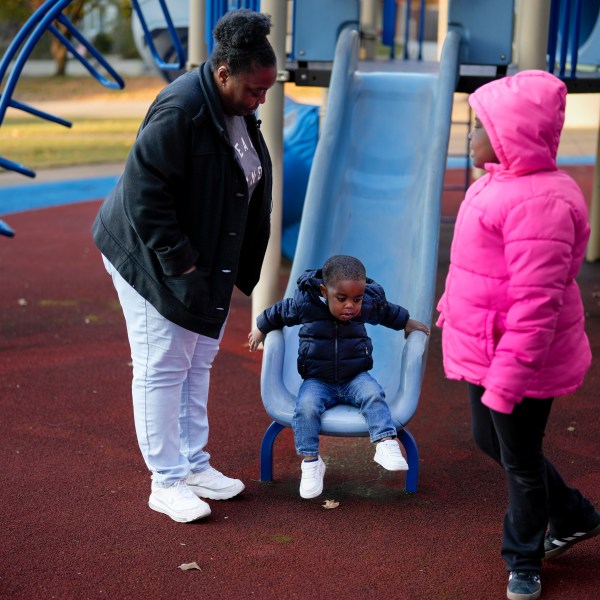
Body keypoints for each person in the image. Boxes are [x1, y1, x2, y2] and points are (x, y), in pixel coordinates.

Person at [92, 9, 278, 523]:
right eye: (254, 90)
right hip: (149, 253)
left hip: (197, 258)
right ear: (224, 74)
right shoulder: (182, 109)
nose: (260, 100)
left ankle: (193, 463)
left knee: (197, 358)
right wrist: (183, 268)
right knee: (163, 362)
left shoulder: (233, 108)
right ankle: (166, 480)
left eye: (266, 91)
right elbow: (144, 197)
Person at [436, 70, 599, 600]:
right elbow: (474, 267)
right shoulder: (495, 182)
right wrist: (449, 305)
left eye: (480, 124)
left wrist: (507, 382)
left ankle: (524, 559)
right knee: (493, 441)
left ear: (513, 133)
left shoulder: (541, 202)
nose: (470, 133)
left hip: (522, 358)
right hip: (488, 345)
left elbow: (536, 305)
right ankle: (574, 514)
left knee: (520, 460)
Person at [248, 255, 430, 499]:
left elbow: (386, 313)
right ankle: (311, 462)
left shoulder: (365, 305)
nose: (350, 306)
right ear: (324, 290)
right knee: (305, 408)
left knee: (374, 394)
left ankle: (385, 442)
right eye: (342, 299)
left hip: (354, 376)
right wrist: (261, 327)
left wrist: (407, 322)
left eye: (357, 299)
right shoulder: (306, 304)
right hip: (317, 380)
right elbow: (279, 312)